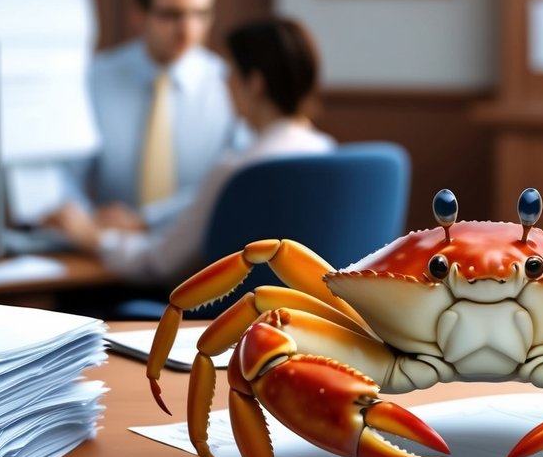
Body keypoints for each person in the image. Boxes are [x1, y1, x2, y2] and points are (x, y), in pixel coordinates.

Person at [45, 15, 337, 287]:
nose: (225, 83)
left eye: (232, 74)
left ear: (256, 84)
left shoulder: (238, 171)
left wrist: (92, 237)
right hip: (313, 329)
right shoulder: (329, 153)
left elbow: (160, 262)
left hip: (227, 329)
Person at [62, 0, 251, 234]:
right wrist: (82, 219)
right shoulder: (96, 78)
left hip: (198, 253)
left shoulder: (231, 85)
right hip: (106, 250)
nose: (187, 30)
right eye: (171, 15)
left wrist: (148, 220)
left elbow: (236, 180)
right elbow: (68, 173)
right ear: (139, 14)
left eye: (200, 14)